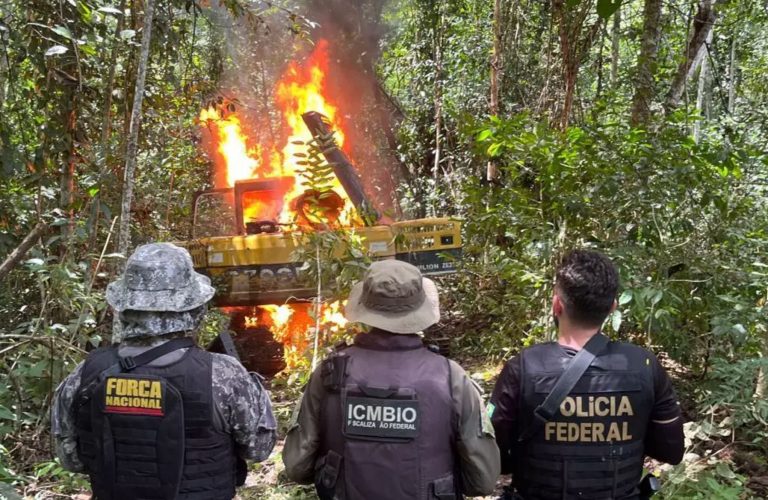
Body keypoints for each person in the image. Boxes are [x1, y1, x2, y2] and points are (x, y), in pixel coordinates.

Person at [52, 243, 277, 500]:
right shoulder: (224, 375)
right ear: (192, 308)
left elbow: (71, 459)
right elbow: (259, 449)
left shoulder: (86, 373)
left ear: (124, 308)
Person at [283, 260, 500, 499]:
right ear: (419, 309)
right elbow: (483, 479)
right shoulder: (451, 377)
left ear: (365, 307)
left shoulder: (329, 373)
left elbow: (297, 466)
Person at [489, 249, 684, 500]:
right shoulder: (644, 366)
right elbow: (671, 451)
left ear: (557, 305)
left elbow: (493, 452)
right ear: (612, 307)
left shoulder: (523, 367)